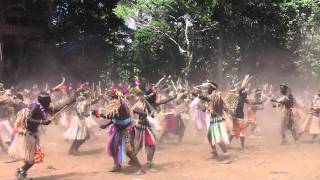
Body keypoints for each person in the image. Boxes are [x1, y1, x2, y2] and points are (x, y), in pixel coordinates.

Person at [8, 91, 76, 179]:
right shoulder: (36, 106)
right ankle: (21, 172)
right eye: (48, 100)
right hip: (26, 134)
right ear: (43, 101)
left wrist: (69, 102)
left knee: (34, 157)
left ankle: (21, 171)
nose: (50, 101)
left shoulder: (44, 107)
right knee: (33, 157)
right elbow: (28, 119)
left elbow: (56, 109)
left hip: (32, 134)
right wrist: (42, 121)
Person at [94, 88, 142, 172]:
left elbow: (110, 116)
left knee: (128, 150)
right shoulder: (118, 103)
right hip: (118, 130)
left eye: (113, 97)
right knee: (114, 147)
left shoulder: (121, 106)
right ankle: (117, 165)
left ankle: (138, 166)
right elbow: (115, 118)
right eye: (111, 97)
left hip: (127, 130)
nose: (111, 98)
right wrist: (106, 124)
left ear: (117, 97)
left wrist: (97, 113)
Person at [132, 83, 176, 169]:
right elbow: (135, 109)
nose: (156, 96)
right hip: (143, 128)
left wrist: (173, 97)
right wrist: (144, 114)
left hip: (145, 128)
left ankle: (133, 159)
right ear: (150, 96)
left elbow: (164, 101)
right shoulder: (142, 103)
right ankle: (148, 163)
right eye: (154, 95)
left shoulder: (151, 104)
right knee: (151, 145)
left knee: (140, 145)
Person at [193, 81, 231, 160]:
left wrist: (198, 95)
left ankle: (227, 155)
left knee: (218, 139)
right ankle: (215, 152)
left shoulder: (216, 95)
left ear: (212, 88)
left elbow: (207, 99)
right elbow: (206, 109)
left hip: (218, 120)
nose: (207, 89)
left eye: (208, 87)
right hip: (213, 120)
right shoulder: (212, 97)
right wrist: (201, 106)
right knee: (209, 136)